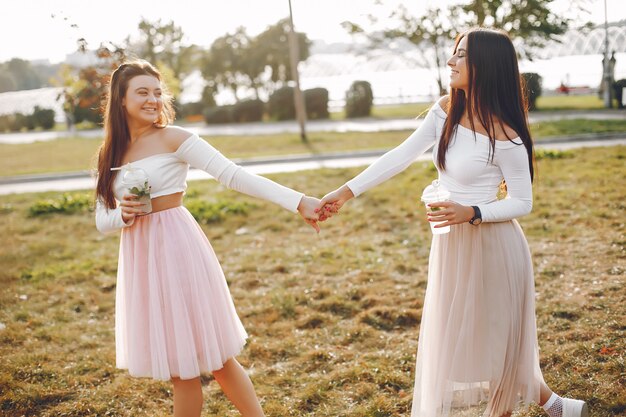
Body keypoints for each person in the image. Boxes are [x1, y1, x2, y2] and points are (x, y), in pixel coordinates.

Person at [318, 28, 588, 417]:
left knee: (493, 340)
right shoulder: (447, 110)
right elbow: (401, 155)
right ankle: (558, 406)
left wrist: (473, 213)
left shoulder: (507, 136)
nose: (450, 61)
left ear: (485, 65)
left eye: (460, 55)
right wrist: (345, 192)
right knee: (466, 339)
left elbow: (522, 202)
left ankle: (533, 408)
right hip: (451, 245)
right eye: (454, 53)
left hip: (493, 247)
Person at [94, 59, 321, 417]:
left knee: (216, 359)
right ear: (121, 99)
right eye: (142, 92)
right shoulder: (111, 152)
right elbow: (101, 218)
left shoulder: (176, 138)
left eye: (157, 92)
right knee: (178, 369)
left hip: (176, 248)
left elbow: (232, 175)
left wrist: (298, 201)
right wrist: (120, 216)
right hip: (142, 259)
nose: (152, 99)